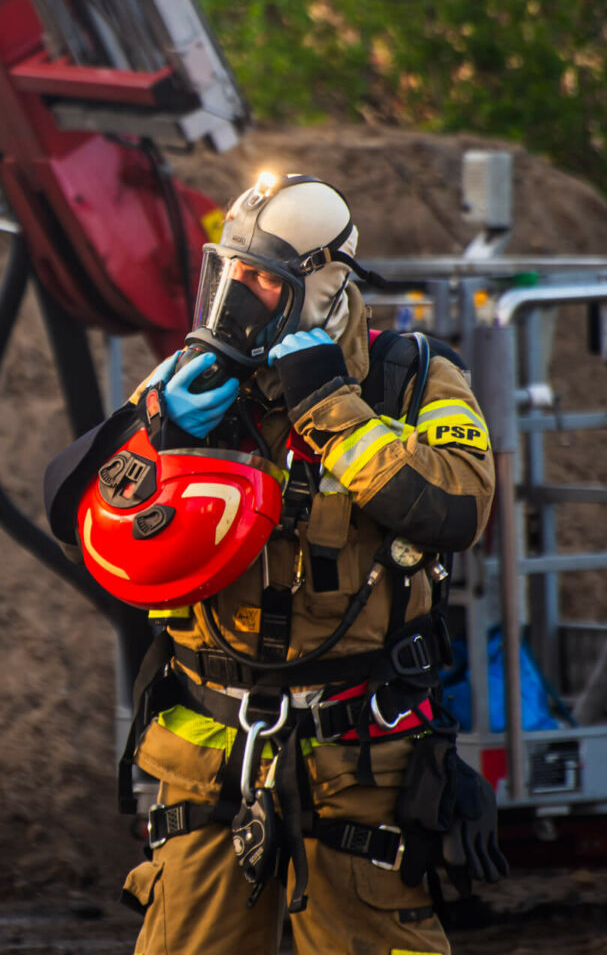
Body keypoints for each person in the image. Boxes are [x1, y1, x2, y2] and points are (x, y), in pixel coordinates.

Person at [45, 173, 506, 955]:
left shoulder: (414, 379)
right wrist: (153, 426)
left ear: (325, 284)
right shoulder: (194, 380)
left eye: (264, 278)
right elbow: (79, 515)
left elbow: (459, 508)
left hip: (362, 761)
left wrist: (330, 406)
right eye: (230, 272)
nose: (239, 297)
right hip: (207, 756)